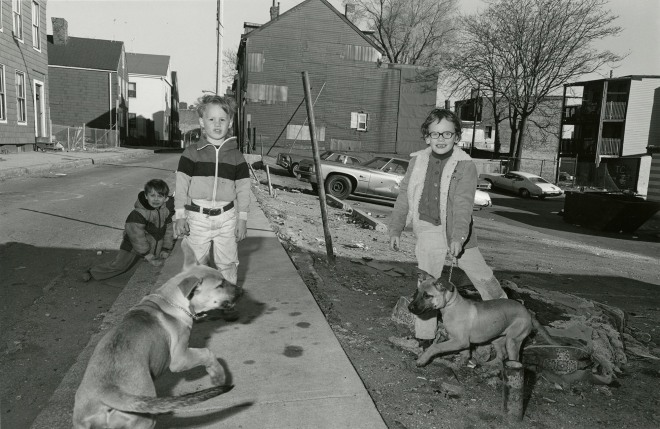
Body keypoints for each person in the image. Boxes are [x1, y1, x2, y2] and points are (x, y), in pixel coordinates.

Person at [388, 108, 507, 349]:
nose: (441, 139)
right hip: (428, 231)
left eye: (447, 134)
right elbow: (404, 196)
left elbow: (463, 205)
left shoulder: (465, 165)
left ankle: (505, 324)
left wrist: (458, 238)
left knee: (484, 279)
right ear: (427, 136)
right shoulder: (417, 161)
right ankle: (424, 339)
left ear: (456, 136)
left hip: (457, 233)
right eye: (436, 134)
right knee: (425, 291)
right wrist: (396, 228)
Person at [173, 94, 250, 288]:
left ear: (230, 122)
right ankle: (198, 302)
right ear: (201, 121)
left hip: (227, 218)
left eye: (222, 119)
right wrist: (180, 215)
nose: (217, 124)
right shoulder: (191, 153)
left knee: (228, 263)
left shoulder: (236, 156)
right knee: (196, 265)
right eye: (211, 119)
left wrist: (242, 219)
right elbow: (181, 186)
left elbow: (243, 188)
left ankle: (227, 300)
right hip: (197, 218)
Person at [83, 179, 174, 282]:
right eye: (152, 195)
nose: (156, 199)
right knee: (120, 265)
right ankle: (93, 272)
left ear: (166, 198)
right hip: (132, 245)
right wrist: (146, 253)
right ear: (146, 196)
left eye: (160, 196)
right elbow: (136, 236)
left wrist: (166, 248)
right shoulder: (138, 214)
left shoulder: (165, 212)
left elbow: (168, 231)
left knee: (159, 261)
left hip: (153, 243)